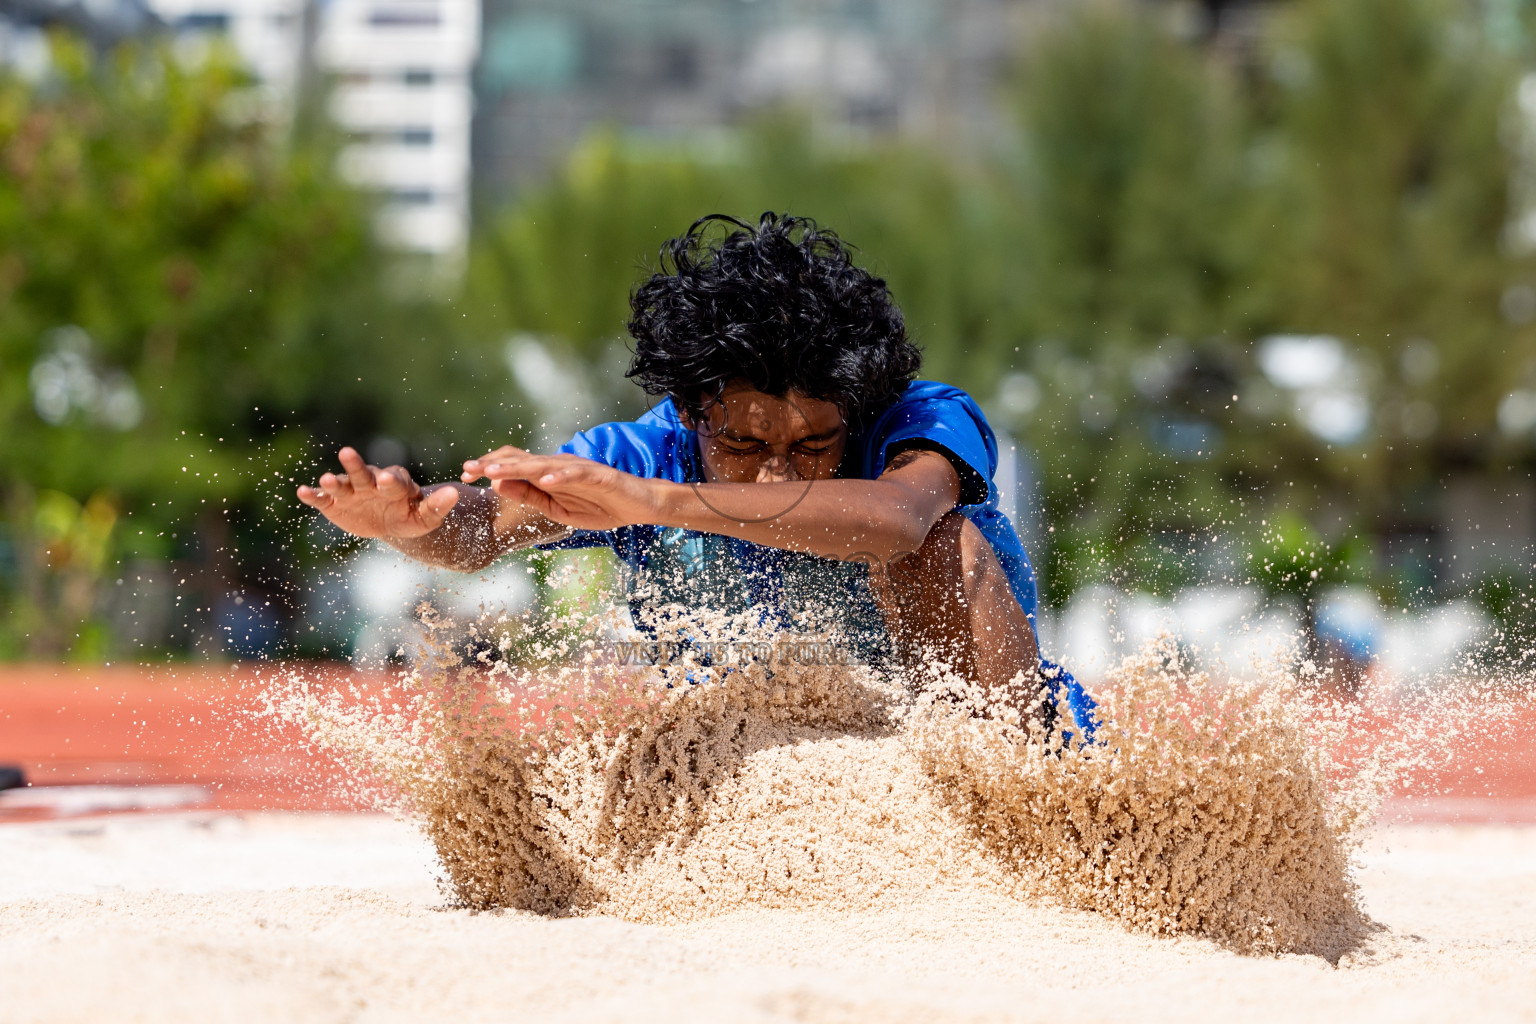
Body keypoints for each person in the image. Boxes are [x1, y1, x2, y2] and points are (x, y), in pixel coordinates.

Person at [297, 213, 1094, 736]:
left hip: (991, 746)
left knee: (944, 544)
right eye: (745, 447)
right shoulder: (640, 454)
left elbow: (901, 521)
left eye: (814, 444)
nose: (779, 474)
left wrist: (659, 504)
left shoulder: (921, 422)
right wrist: (416, 527)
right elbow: (479, 531)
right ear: (690, 412)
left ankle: (1006, 795)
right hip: (768, 775)